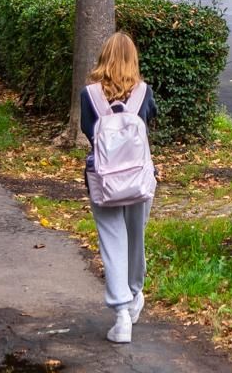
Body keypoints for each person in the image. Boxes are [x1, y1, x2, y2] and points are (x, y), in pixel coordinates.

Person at [81, 31, 157, 343]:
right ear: (133, 59)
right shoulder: (144, 92)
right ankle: (135, 293)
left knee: (112, 244)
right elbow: (149, 126)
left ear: (104, 57)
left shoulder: (89, 95)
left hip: (104, 180)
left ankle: (121, 313)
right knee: (135, 237)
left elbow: (90, 134)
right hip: (138, 177)